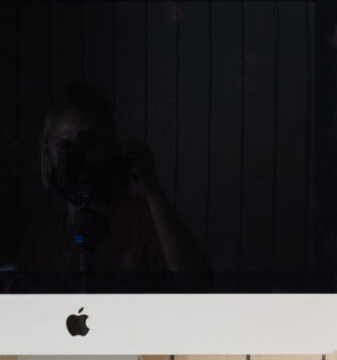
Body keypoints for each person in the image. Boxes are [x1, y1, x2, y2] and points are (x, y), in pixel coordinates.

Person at [16, 82, 211, 283]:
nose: (77, 158)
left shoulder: (140, 220)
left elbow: (198, 283)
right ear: (45, 152)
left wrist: (152, 192)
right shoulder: (41, 238)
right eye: (64, 146)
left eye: (88, 145)